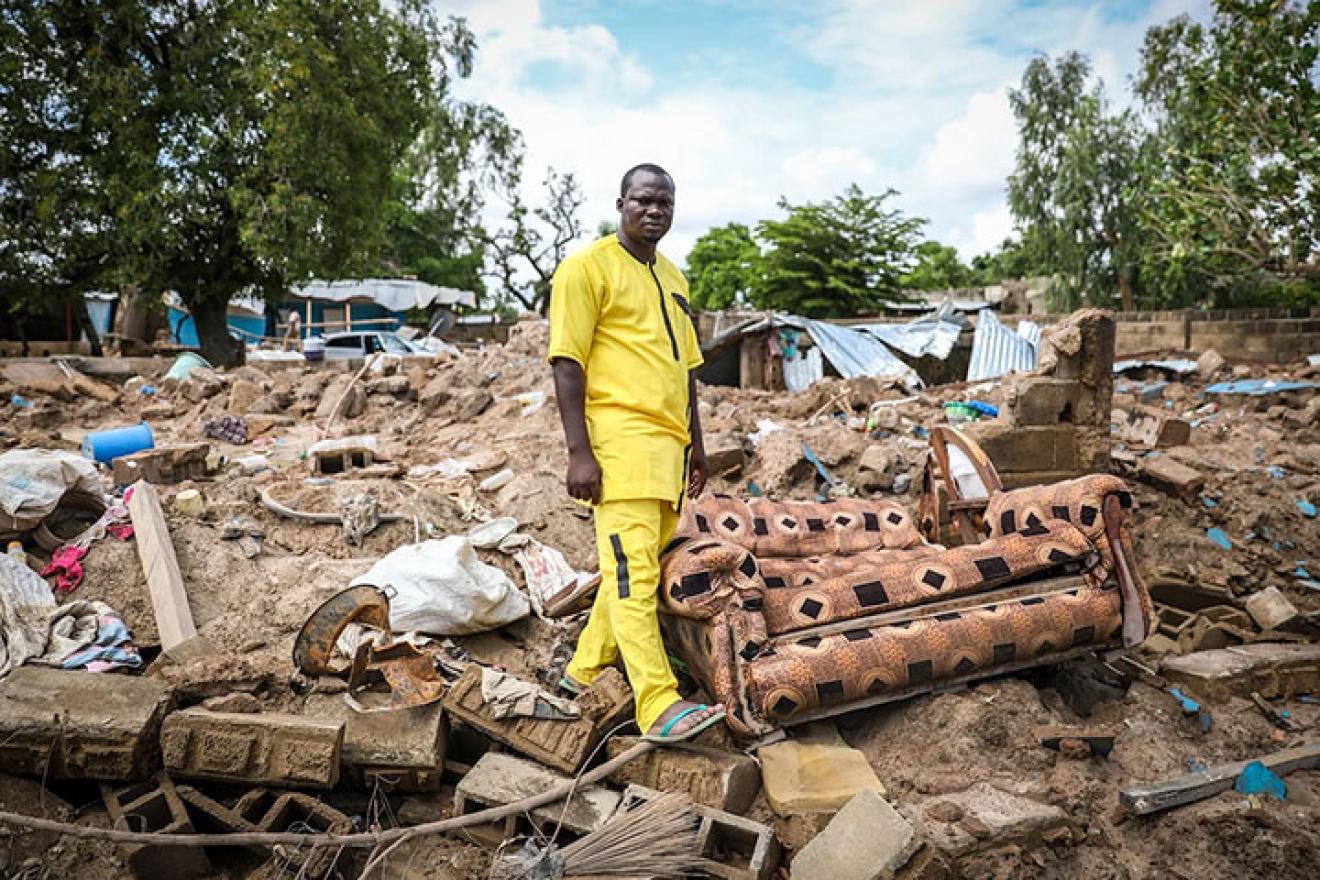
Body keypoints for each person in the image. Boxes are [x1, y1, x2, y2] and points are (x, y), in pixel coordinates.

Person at [547, 163, 725, 743]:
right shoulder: (585, 270)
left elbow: (688, 370)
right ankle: (657, 702)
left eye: (665, 203)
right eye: (643, 200)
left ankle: (580, 673)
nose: (654, 210)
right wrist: (579, 453)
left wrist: (698, 445)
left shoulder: (674, 277)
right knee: (633, 575)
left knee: (634, 571)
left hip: (668, 456)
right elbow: (566, 362)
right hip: (619, 451)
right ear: (621, 202)